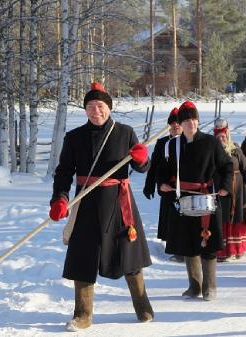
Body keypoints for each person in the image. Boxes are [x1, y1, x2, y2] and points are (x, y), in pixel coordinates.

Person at [49, 82, 154, 331]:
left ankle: (143, 306)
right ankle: (83, 315)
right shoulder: (74, 138)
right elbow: (63, 172)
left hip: (119, 203)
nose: (96, 110)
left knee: (129, 255)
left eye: (100, 105)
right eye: (90, 106)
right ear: (85, 109)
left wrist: (142, 159)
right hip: (86, 203)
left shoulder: (125, 132)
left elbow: (143, 167)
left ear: (109, 107)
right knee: (83, 258)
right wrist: (59, 199)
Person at [157, 101, 233, 301]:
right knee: (188, 244)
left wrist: (225, 186)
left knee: (207, 242)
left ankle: (210, 287)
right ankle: (194, 286)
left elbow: (226, 165)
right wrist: (162, 183)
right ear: (180, 124)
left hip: (206, 197)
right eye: (187, 120)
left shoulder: (210, 142)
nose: (192, 123)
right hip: (182, 198)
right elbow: (163, 170)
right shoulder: (172, 145)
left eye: (194, 119)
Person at [143, 107, 183, 261]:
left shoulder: (188, 140)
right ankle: (173, 246)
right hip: (167, 186)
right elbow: (154, 166)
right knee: (169, 218)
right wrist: (150, 185)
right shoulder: (162, 143)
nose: (176, 126)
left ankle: (181, 249)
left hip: (184, 186)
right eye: (172, 124)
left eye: (178, 123)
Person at [214, 118, 246, 262]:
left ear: (228, 134)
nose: (221, 138)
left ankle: (235, 249)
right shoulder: (213, 152)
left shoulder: (236, 150)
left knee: (236, 218)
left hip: (237, 191)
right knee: (221, 219)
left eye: (223, 135)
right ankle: (222, 251)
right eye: (218, 136)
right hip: (219, 190)